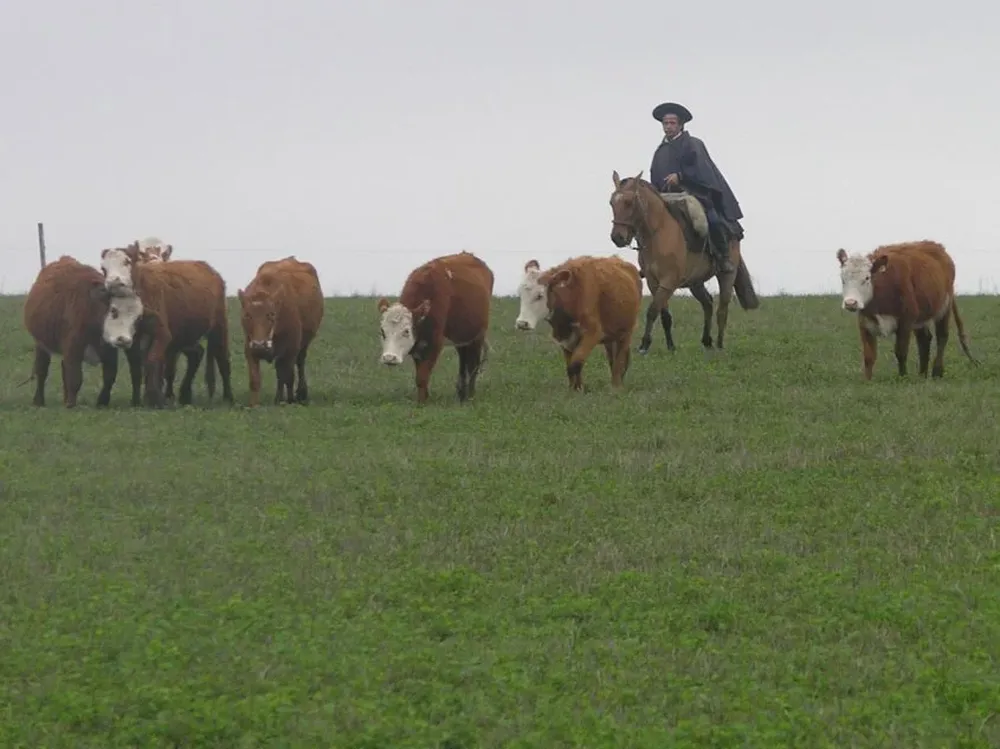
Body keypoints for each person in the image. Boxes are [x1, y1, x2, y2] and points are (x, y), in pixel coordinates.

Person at [648, 102, 743, 273]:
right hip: (666, 197)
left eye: (672, 123)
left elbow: (701, 169)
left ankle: (723, 257)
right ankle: (649, 260)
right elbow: (655, 173)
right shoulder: (660, 150)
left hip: (694, 193)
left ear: (680, 125)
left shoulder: (693, 144)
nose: (668, 127)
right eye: (665, 123)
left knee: (711, 220)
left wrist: (681, 177)